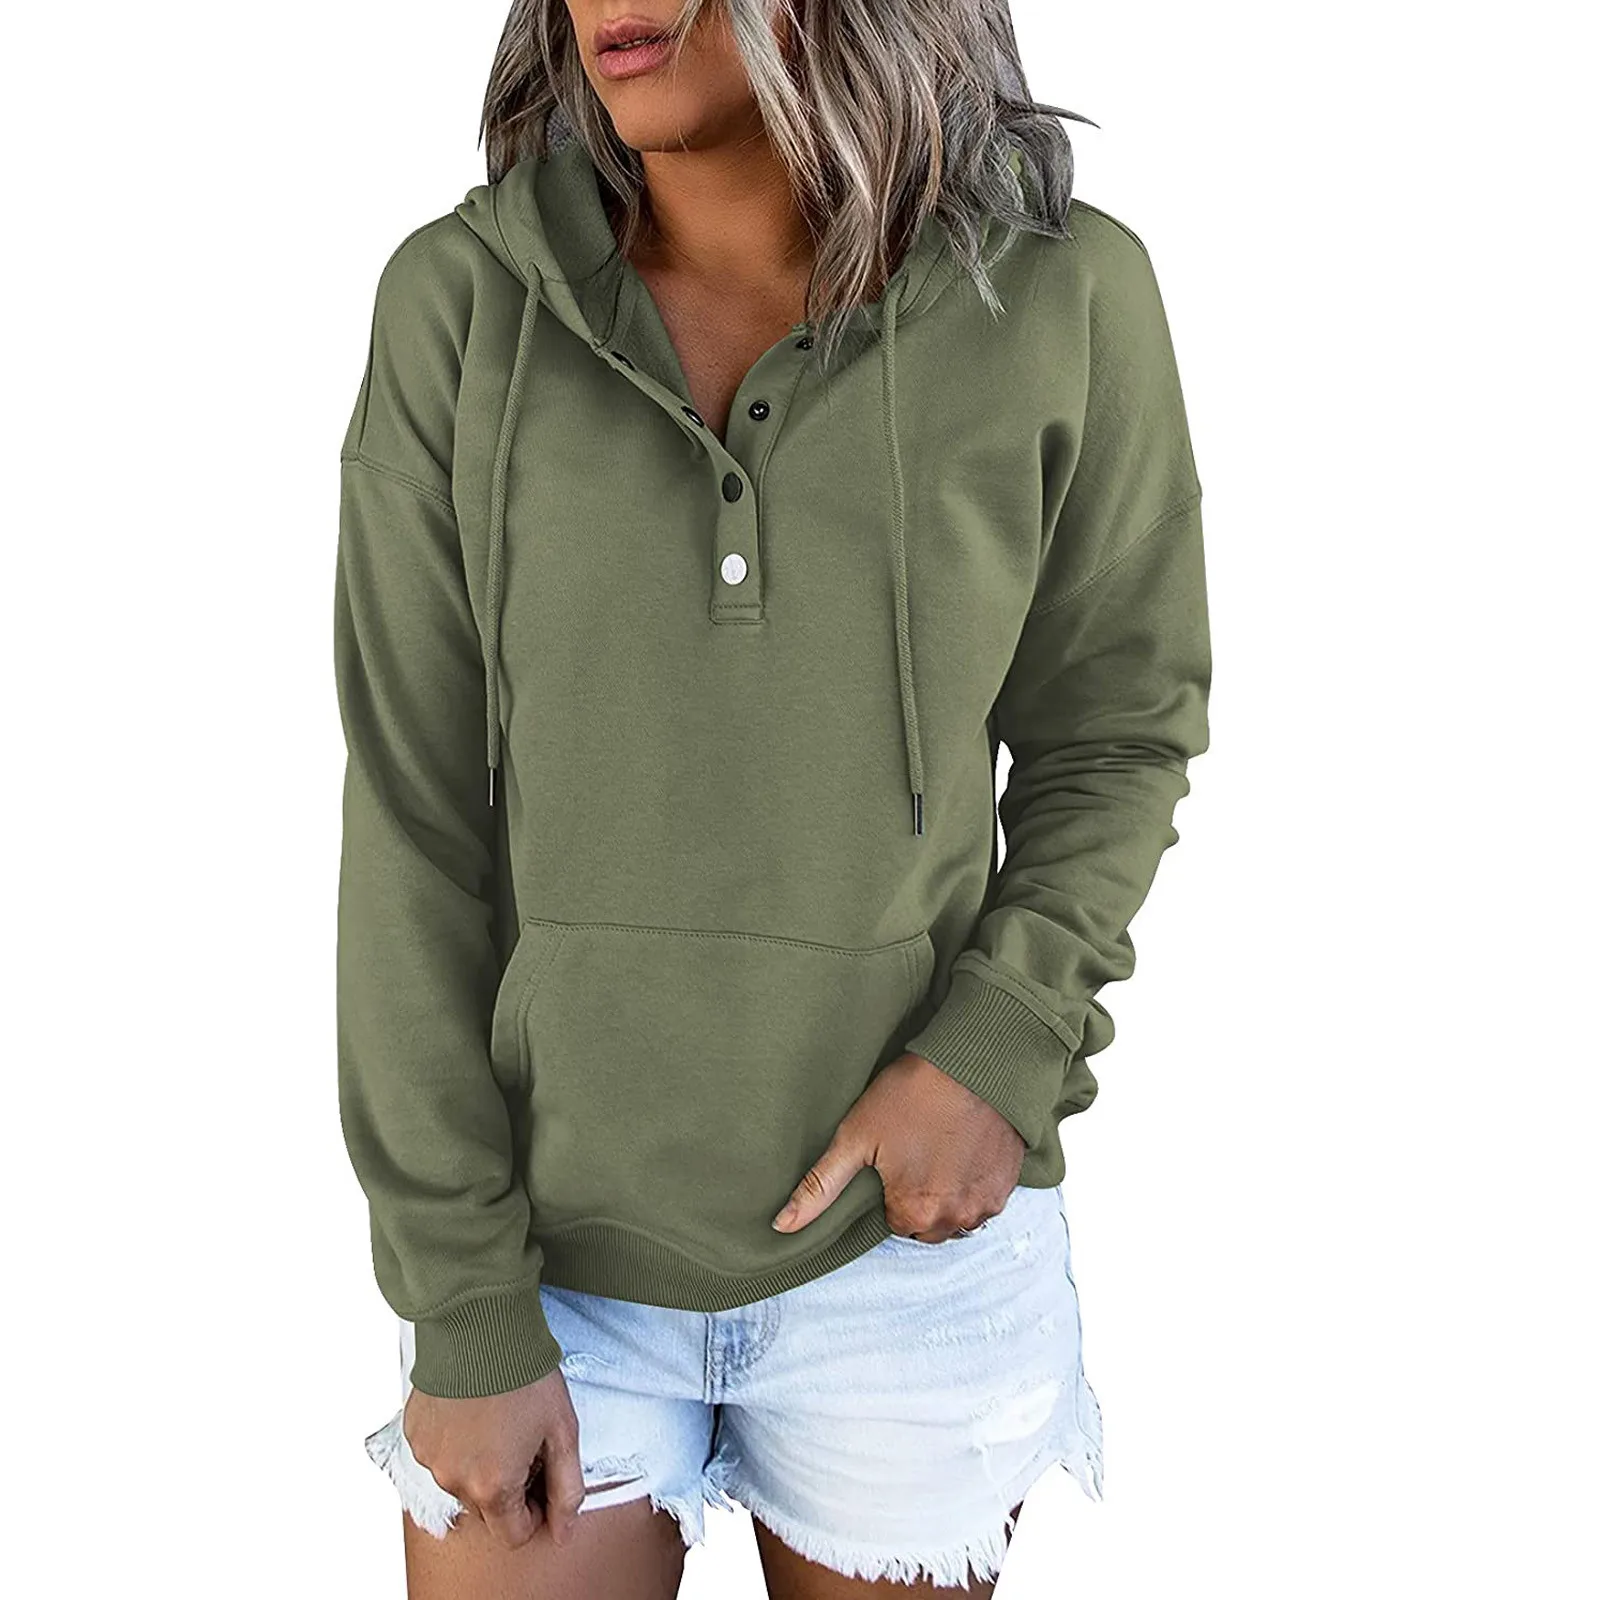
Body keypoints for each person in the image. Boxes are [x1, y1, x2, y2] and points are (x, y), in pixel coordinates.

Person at [333, 2, 1211, 1595]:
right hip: (549, 1267)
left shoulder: (1060, 294)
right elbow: (412, 820)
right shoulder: (461, 305)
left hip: (911, 1247)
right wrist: (462, 1297)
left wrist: (998, 1046)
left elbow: (1118, 725)